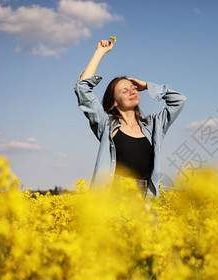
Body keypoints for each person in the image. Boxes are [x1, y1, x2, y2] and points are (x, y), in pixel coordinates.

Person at [74, 39, 186, 196]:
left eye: (133, 88)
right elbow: (83, 89)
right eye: (124, 91)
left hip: (145, 200)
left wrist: (148, 86)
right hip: (114, 197)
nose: (132, 91)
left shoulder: (154, 125)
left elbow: (179, 101)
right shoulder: (106, 124)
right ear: (114, 102)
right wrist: (100, 52)